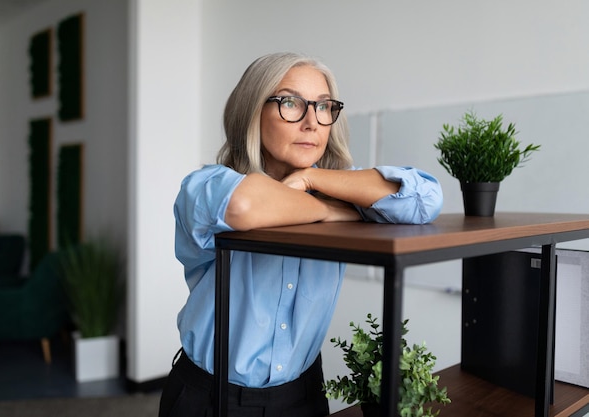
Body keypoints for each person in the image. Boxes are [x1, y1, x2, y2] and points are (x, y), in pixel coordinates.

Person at [158, 52, 443, 417]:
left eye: (324, 107)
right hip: (208, 397)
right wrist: (328, 210)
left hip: (303, 397)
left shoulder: (341, 187)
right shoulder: (207, 186)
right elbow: (244, 206)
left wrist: (315, 179)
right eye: (290, 103)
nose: (311, 122)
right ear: (252, 111)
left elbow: (426, 199)